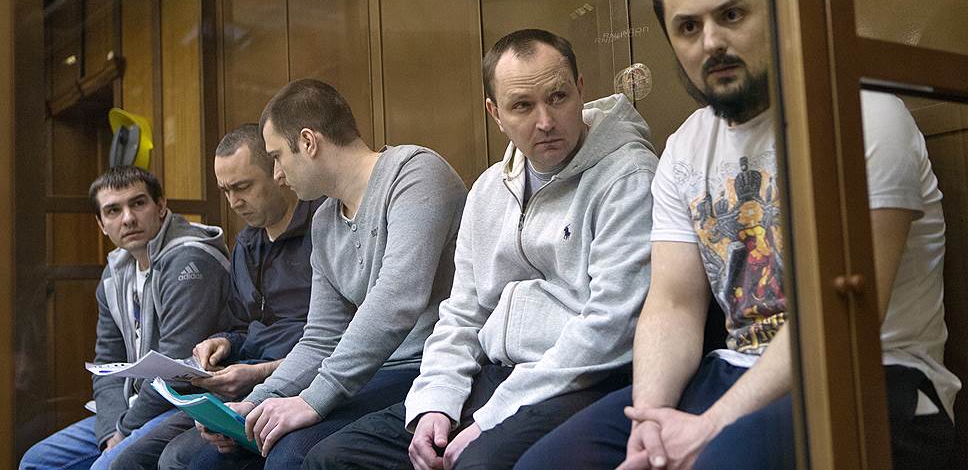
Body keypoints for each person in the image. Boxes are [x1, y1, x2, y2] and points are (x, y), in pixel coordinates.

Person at [514, 0, 959, 470]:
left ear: (777, 13)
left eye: (731, 15)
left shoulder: (863, 116)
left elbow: (841, 320)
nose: (711, 42)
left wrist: (709, 428)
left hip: (873, 377)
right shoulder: (685, 146)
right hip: (735, 367)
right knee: (546, 463)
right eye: (688, 27)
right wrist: (651, 421)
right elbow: (674, 305)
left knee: (722, 458)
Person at [309, 28, 658, 470]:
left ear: (581, 89)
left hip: (583, 379)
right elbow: (463, 312)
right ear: (495, 113)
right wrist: (436, 403)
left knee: (476, 463)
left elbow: (611, 326)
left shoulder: (628, 176)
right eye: (522, 106)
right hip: (492, 373)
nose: (546, 121)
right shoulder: (489, 189)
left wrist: (492, 417)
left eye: (558, 97)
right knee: (335, 457)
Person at [178, 79, 467, 469]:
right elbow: (320, 338)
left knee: (290, 456)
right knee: (204, 461)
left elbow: (397, 299)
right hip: (368, 374)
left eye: (277, 157)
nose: (277, 174)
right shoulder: (325, 220)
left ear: (308, 142)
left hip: (423, 368)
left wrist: (313, 399)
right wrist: (257, 401)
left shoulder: (416, 173)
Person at [108, 124, 323, 469]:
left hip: (296, 380)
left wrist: (258, 374)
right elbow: (240, 325)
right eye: (225, 190)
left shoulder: (322, 229)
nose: (234, 202)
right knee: (129, 462)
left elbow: (333, 342)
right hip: (237, 379)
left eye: (243, 186)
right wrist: (221, 342)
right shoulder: (247, 243)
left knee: (179, 460)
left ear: (278, 170)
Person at [20, 166, 232, 470]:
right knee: (37, 462)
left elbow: (173, 369)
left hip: (187, 404)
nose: (128, 218)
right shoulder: (115, 272)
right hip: (133, 409)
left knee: (107, 467)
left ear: (161, 206)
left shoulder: (190, 260)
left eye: (138, 203)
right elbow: (107, 362)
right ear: (101, 224)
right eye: (113, 210)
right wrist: (111, 430)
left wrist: (123, 430)